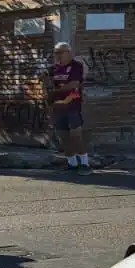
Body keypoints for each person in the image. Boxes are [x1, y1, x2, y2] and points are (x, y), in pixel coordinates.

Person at [46, 42, 91, 175]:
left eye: (61, 52)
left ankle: (85, 163)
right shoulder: (53, 69)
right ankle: (72, 163)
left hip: (72, 105)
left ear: (69, 53)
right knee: (63, 136)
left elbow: (74, 84)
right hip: (57, 107)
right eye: (56, 53)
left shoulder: (76, 66)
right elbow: (49, 87)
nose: (58, 56)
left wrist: (56, 90)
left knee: (76, 135)